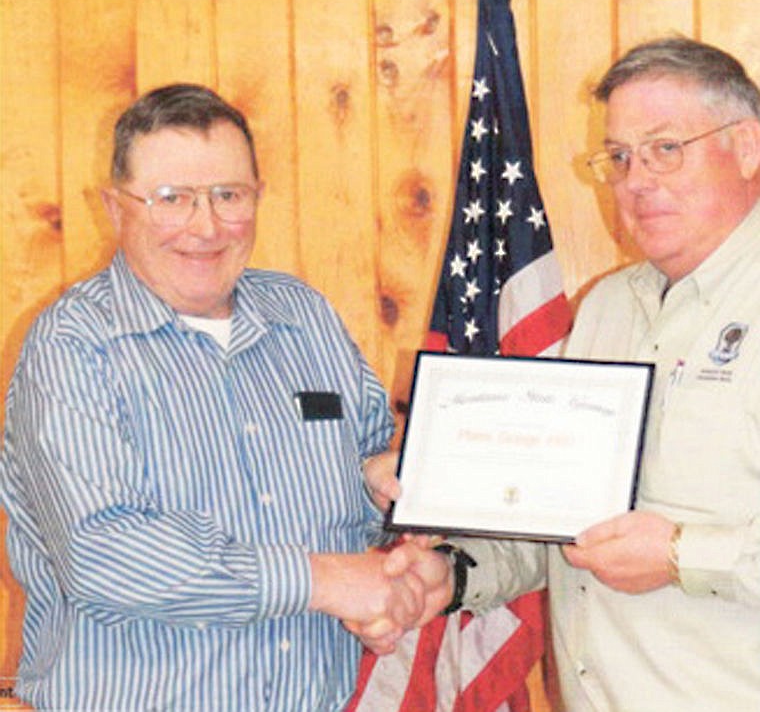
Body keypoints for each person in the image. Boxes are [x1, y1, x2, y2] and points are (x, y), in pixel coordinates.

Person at [0, 83, 445, 711]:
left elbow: (372, 461)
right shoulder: (72, 345)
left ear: (258, 198)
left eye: (228, 196)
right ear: (114, 207)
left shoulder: (304, 316)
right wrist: (326, 582)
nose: (205, 226)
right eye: (170, 198)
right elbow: (104, 553)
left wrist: (379, 484)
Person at [360, 37, 760, 710]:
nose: (638, 180)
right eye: (621, 157)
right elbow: (559, 517)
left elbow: (665, 549)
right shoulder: (606, 309)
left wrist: (681, 554)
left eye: (667, 148)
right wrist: (450, 575)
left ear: (747, 147)